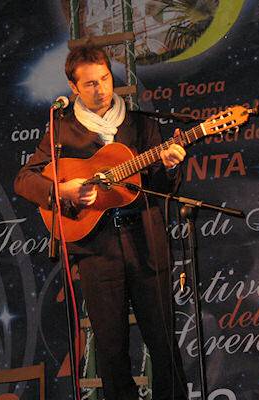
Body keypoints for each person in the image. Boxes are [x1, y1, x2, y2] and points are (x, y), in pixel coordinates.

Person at [14, 47, 188, 399]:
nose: (101, 89)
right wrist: (62, 190)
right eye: (90, 83)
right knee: (111, 348)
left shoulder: (142, 125)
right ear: (74, 87)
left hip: (146, 242)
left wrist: (169, 165)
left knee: (163, 342)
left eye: (106, 79)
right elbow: (24, 180)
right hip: (97, 250)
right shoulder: (61, 131)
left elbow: (161, 189)